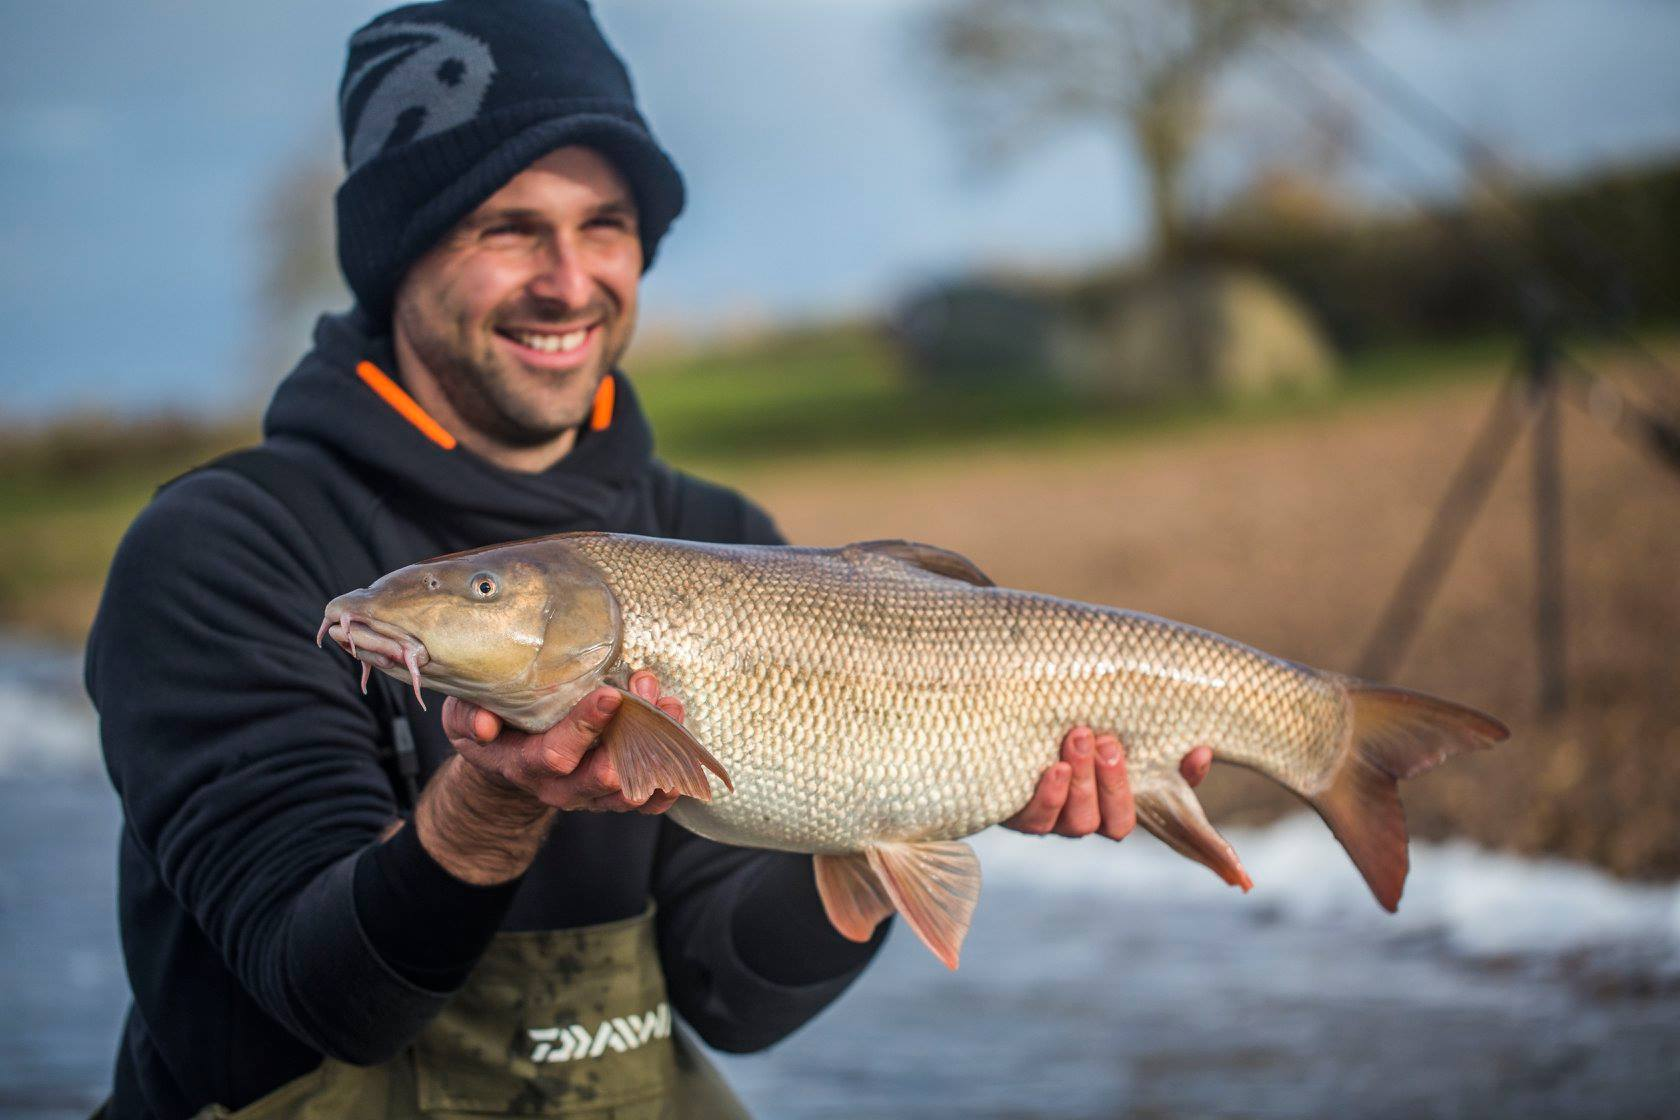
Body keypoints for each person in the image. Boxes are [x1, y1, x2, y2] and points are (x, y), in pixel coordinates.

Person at [86, 2, 1208, 1117]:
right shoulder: (220, 547)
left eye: (607, 224)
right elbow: (323, 992)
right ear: (397, 254)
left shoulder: (721, 534)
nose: (569, 280)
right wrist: (491, 800)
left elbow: (733, 995)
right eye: (507, 227)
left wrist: (912, 812)